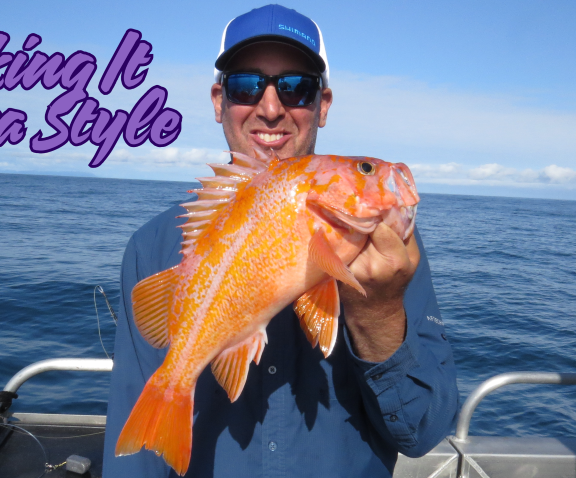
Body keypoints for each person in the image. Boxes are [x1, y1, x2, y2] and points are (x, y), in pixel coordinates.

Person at [102, 5, 459, 477]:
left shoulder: (389, 254)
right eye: (246, 85)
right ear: (218, 100)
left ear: (322, 105)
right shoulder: (152, 248)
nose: (271, 108)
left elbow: (424, 431)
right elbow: (134, 458)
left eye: (296, 87)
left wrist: (378, 310)